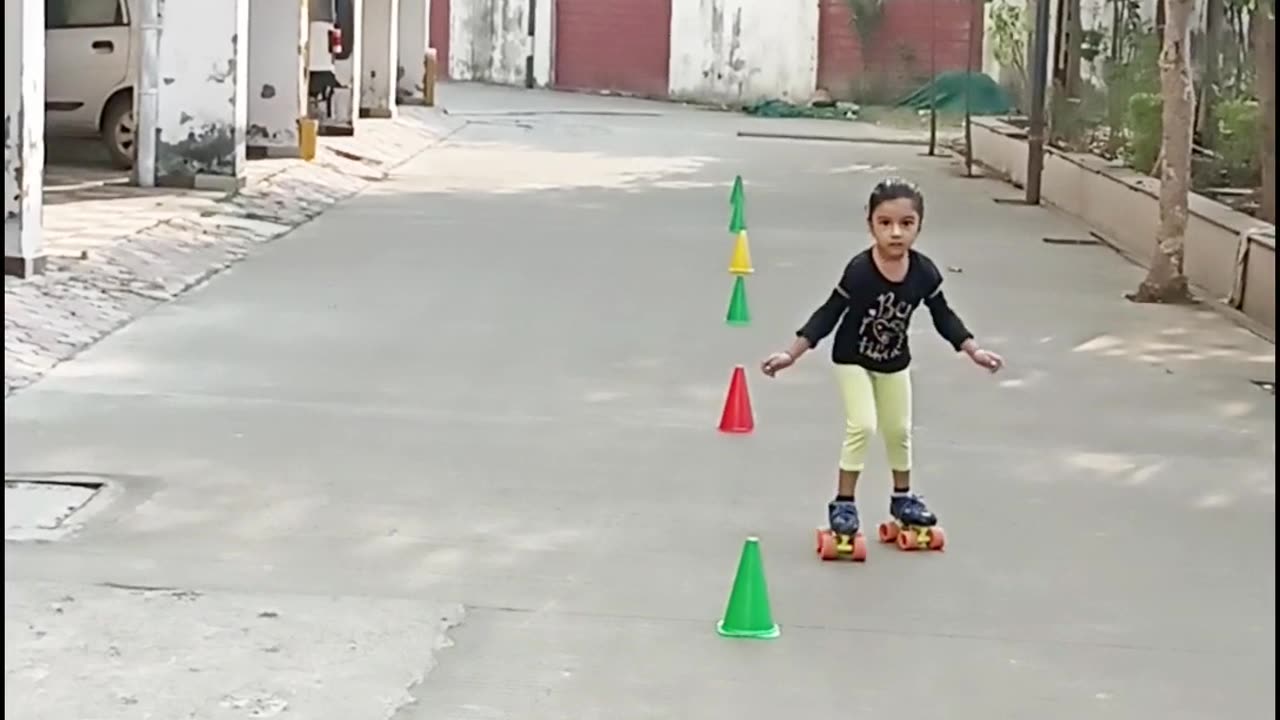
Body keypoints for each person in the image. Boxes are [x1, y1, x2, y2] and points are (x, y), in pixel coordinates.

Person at [760, 177, 1004, 538]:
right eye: (885, 223)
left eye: (906, 224)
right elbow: (829, 313)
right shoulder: (860, 270)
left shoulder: (924, 272)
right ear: (870, 224)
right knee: (862, 424)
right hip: (852, 359)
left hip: (894, 362)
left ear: (919, 225)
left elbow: (943, 315)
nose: (895, 233)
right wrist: (791, 353)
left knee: (899, 430)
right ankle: (844, 502)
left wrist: (973, 349)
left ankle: (902, 498)